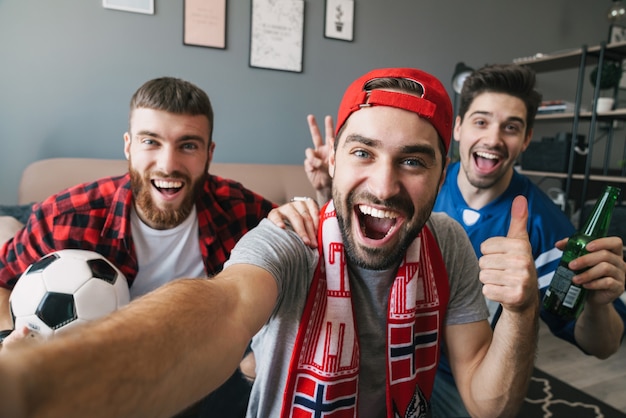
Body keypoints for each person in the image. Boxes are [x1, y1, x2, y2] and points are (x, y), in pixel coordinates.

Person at [0, 67, 540, 418]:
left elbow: (488, 403)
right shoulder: (289, 236)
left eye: (413, 160)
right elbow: (225, 305)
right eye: (362, 152)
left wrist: (521, 309)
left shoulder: (448, 244)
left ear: (442, 172)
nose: (383, 184)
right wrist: (37, 382)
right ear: (334, 157)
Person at [304, 63, 626, 417]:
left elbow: (602, 346)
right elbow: (350, 254)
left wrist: (597, 301)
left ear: (527, 139)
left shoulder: (544, 225)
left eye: (511, 127)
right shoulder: (412, 187)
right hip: (378, 357)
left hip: (459, 378)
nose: (492, 139)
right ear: (458, 128)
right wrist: (326, 196)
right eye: (481, 121)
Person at [0, 76, 318, 418]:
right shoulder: (66, 215)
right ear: (128, 146)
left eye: (188, 145)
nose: (168, 165)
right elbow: (4, 279)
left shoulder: (243, 211)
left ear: (209, 153)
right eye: (151, 142)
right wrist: (10, 338)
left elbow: (307, 255)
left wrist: (317, 201)